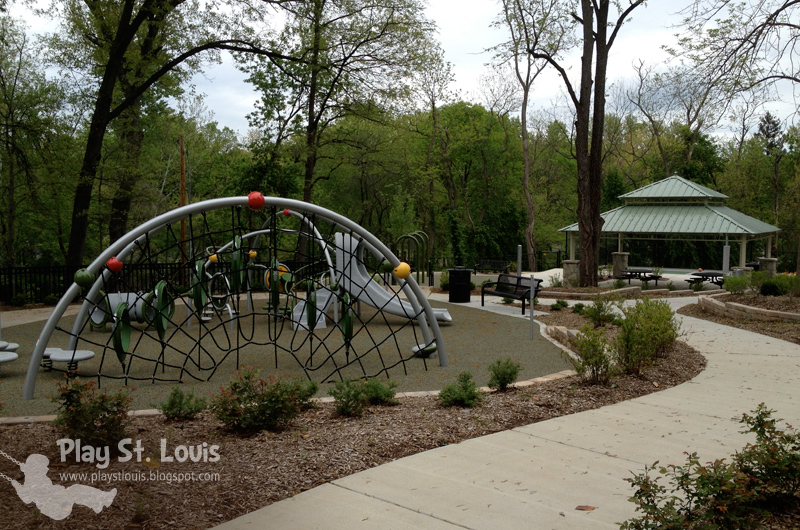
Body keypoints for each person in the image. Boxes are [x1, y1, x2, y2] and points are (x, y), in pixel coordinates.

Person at [10, 454, 117, 521]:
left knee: (75, 490)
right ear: (35, 468)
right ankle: (102, 500)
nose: (47, 469)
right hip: (55, 509)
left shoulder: (37, 478)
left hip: (57, 504)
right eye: (44, 467)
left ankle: (99, 502)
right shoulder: (32, 483)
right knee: (75, 489)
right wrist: (17, 487)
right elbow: (28, 498)